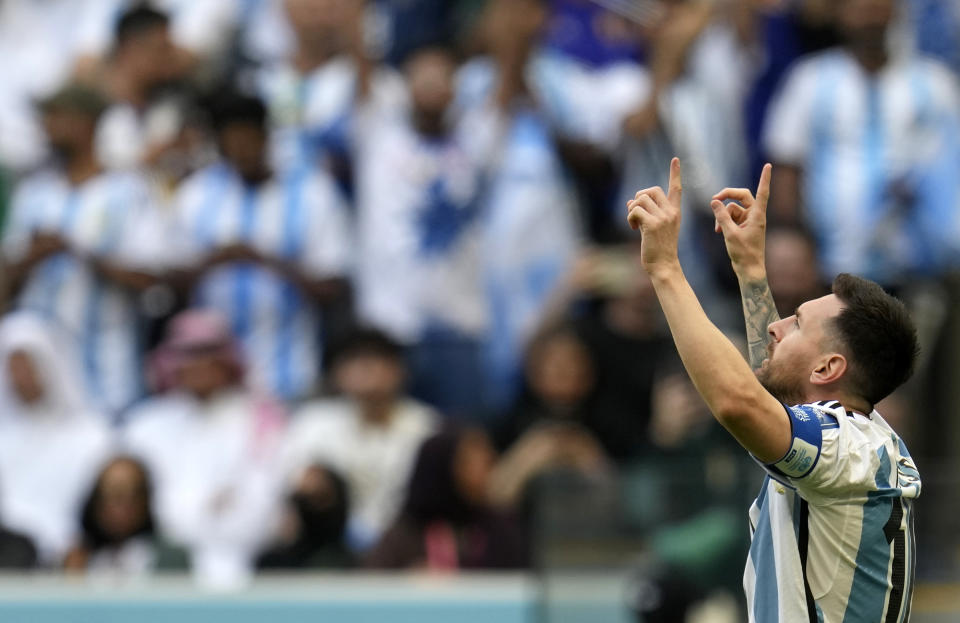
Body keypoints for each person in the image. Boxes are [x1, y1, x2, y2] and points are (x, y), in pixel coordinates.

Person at [626, 159, 920, 621]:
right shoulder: (854, 438)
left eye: (798, 322)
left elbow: (739, 402)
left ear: (828, 367)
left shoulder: (847, 447)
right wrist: (749, 270)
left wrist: (665, 268)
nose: (778, 326)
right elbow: (777, 398)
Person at [763, 0, 960, 286]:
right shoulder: (811, 79)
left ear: (896, 10)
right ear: (840, 13)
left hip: (924, 267)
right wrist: (792, 238)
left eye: (879, 6)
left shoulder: (934, 83)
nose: (870, 16)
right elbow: (785, 167)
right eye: (859, 6)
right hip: (835, 265)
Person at [170, 92, 351, 401]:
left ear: (267, 138)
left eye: (249, 139)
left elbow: (332, 286)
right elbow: (171, 286)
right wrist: (216, 260)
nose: (242, 150)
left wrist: (263, 261)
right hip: (215, 385)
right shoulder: (196, 195)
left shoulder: (312, 192)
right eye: (232, 142)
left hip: (292, 375)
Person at [1, 83, 167, 414]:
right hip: (40, 378)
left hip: (108, 373)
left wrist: (76, 252)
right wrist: (29, 260)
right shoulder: (34, 192)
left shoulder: (129, 191)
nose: (46, 127)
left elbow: (152, 277)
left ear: (86, 124)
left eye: (57, 117)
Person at [123, 309, 286, 588]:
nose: (198, 364)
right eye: (187, 353)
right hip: (156, 567)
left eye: (207, 352)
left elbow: (263, 508)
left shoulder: (262, 419)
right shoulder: (145, 425)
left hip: (244, 569)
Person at [281, 329, 438, 553]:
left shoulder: (427, 427)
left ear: (400, 370)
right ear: (337, 373)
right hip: (332, 548)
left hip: (407, 549)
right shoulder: (312, 423)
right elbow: (295, 483)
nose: (366, 368)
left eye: (377, 359)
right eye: (354, 360)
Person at [0, 312, 114, 565]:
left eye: (28, 364)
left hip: (72, 562)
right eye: (12, 366)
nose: (20, 376)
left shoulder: (93, 435)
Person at [366, 428, 527, 570]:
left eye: (488, 461)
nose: (485, 471)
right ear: (440, 472)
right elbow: (370, 590)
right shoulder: (403, 538)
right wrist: (406, 587)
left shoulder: (502, 530)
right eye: (469, 463)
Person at [63, 456, 189, 577]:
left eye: (132, 495)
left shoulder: (171, 558)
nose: (123, 507)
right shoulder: (78, 560)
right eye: (113, 495)